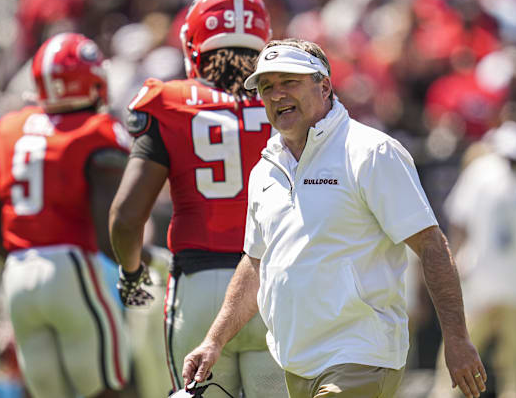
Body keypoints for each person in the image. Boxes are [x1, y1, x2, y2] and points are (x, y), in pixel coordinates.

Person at [181, 38, 486, 398]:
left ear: (324, 86)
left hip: (361, 354)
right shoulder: (265, 169)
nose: (277, 95)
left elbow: (432, 244)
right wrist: (213, 341)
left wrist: (456, 338)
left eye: (289, 82)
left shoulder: (371, 152)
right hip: (296, 363)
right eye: (267, 87)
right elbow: (256, 263)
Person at [108, 0, 287, 396]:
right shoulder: (291, 102)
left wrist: (132, 273)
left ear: (193, 43)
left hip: (199, 289)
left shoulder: (168, 102)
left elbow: (125, 216)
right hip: (276, 285)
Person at [0, 32, 131, 398]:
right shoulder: (97, 131)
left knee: (44, 393)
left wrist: (30, 257)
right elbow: (111, 235)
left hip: (17, 274)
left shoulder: (12, 128)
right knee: (105, 387)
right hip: (72, 267)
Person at [430, 121, 516, 398]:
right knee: (514, 367)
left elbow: (458, 222)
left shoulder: (482, 173)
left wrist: (454, 263)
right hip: (515, 288)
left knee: (466, 356)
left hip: (488, 285)